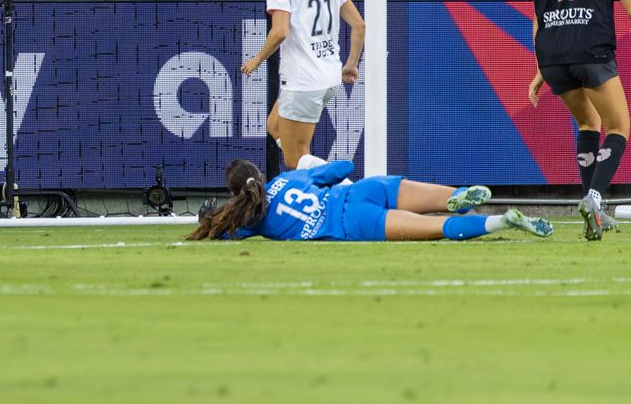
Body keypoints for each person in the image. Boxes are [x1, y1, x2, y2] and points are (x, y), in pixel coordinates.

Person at [527, 0, 631, 241]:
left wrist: (542, 67)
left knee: (589, 122)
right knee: (618, 127)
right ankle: (596, 198)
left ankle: (592, 212)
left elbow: (539, 18)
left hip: (553, 56)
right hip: (592, 52)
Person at [240, 0, 363, 168]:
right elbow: (359, 25)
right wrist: (351, 65)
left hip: (304, 81)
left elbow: (280, 32)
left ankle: (339, 186)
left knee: (295, 159)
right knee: (273, 126)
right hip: (328, 76)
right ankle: (324, 179)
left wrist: (256, 59)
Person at [186, 157, 552, 242]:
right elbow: (344, 165)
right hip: (359, 190)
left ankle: (501, 221)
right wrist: (311, 166)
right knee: (440, 200)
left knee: (440, 228)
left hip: (351, 224)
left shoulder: (252, 220)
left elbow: (226, 233)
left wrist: (211, 220)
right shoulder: (287, 178)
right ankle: (458, 194)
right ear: (261, 178)